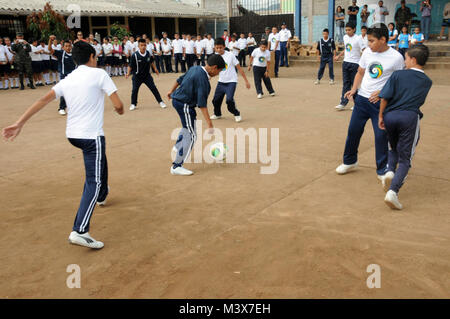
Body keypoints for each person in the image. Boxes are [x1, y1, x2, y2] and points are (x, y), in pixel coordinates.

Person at [2, 41, 124, 249]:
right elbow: (119, 105)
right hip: (90, 137)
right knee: (92, 181)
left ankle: (103, 193)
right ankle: (80, 230)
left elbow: (42, 100)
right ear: (92, 57)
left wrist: (19, 123)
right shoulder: (100, 74)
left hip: (73, 135)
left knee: (100, 160)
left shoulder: (69, 78)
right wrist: (119, 110)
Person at [335, 24, 405, 180]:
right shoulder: (367, 53)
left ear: (383, 39)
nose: (368, 44)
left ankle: (382, 170)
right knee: (353, 132)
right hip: (361, 100)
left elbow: (399, 82)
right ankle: (350, 161)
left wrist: (382, 93)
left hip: (380, 104)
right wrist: (354, 89)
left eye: (372, 41)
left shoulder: (396, 57)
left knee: (381, 137)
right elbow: (360, 73)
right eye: (368, 40)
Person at [378, 45, 432, 210]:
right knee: (405, 159)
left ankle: (389, 172)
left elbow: (385, 97)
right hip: (409, 117)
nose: (404, 62)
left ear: (413, 60)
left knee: (393, 148)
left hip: (391, 116)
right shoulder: (427, 81)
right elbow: (418, 101)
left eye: (406, 59)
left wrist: (381, 116)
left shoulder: (397, 75)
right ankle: (393, 192)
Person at [166, 54, 226, 176]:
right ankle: (177, 166)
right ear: (214, 68)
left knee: (187, 127)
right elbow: (202, 104)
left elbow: (180, 79)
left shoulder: (196, 68)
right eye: (219, 70)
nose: (219, 73)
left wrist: (171, 91)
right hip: (185, 105)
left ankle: (178, 146)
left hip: (177, 100)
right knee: (192, 135)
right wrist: (210, 123)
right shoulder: (203, 80)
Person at [210, 38, 251, 123]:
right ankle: (217, 114)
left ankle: (236, 113)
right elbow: (212, 69)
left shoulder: (230, 55)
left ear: (224, 47)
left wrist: (246, 81)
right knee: (215, 100)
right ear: (214, 48)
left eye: (220, 47)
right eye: (217, 48)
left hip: (231, 82)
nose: (219, 50)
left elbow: (239, 68)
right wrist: (209, 76)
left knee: (229, 100)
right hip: (221, 82)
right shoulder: (215, 57)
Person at [126, 39, 166, 111]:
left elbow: (151, 62)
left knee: (154, 88)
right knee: (134, 90)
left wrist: (155, 69)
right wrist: (128, 73)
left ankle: (160, 102)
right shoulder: (134, 55)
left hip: (147, 76)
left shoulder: (148, 53)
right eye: (141, 45)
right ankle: (133, 104)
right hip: (137, 76)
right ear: (138, 46)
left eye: (144, 45)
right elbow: (130, 65)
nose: (143, 47)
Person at [334, 22, 366, 111]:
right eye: (346, 30)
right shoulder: (345, 37)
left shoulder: (358, 38)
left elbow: (364, 50)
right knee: (346, 83)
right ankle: (343, 103)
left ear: (354, 29)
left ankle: (356, 103)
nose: (347, 32)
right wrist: (339, 56)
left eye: (349, 30)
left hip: (355, 63)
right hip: (346, 63)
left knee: (354, 84)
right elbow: (346, 48)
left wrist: (365, 62)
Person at [48, 36, 76, 115]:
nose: (68, 47)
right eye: (66, 46)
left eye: (69, 46)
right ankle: (61, 108)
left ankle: (73, 108)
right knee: (64, 92)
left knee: (74, 92)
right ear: (63, 47)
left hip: (73, 76)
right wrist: (50, 40)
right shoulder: (60, 53)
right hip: (64, 76)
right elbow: (50, 49)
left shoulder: (74, 54)